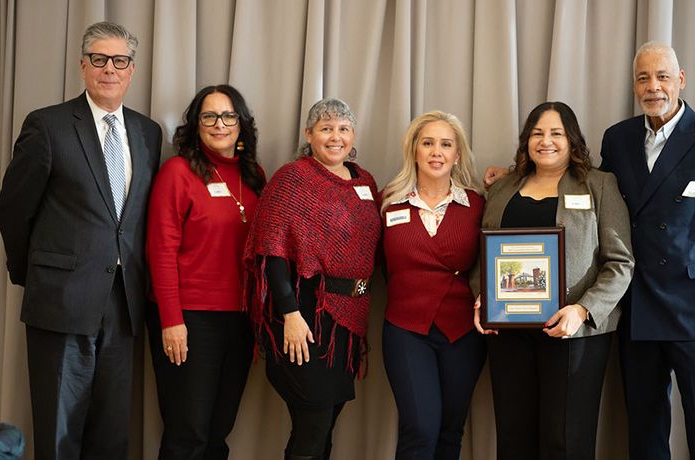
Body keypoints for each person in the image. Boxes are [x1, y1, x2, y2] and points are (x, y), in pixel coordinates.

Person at [0, 22, 162, 459]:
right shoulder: (47, 125)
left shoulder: (148, 132)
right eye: (99, 59)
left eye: (120, 61)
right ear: (83, 65)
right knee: (59, 432)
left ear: (132, 69)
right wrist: (34, 275)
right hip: (61, 299)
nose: (110, 69)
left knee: (111, 434)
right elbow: (12, 209)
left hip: (123, 303)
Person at [599, 42, 695, 459]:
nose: (653, 87)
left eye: (662, 76)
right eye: (643, 78)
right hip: (638, 305)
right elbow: (594, 196)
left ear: (681, 80)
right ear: (634, 85)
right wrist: (518, 172)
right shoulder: (617, 139)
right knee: (644, 432)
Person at [472, 102, 634, 459]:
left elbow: (621, 262)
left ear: (572, 140)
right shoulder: (502, 188)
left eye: (556, 133)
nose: (546, 141)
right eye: (537, 133)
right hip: (508, 333)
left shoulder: (599, 185)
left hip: (574, 335)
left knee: (566, 441)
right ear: (526, 140)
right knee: (513, 438)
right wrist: (482, 296)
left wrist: (583, 310)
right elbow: (483, 255)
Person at [243, 98, 382, 460]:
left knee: (327, 424)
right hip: (304, 316)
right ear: (309, 134)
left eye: (343, 129)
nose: (336, 137)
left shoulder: (366, 182)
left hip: (347, 322)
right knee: (313, 426)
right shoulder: (293, 178)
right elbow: (271, 251)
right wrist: (290, 314)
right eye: (326, 128)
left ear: (353, 135)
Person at [145, 85, 264, 459]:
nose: (219, 124)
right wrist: (171, 320)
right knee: (188, 434)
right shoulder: (178, 172)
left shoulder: (254, 176)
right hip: (189, 319)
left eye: (228, 116)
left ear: (241, 124)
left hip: (240, 320)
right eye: (209, 116)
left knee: (218, 432)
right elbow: (160, 250)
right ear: (196, 125)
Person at [379, 111, 486, 459]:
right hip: (406, 330)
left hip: (463, 333)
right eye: (427, 143)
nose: (436, 152)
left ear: (457, 154)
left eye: (446, 144)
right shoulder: (388, 202)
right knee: (419, 430)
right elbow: (373, 262)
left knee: (450, 432)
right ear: (414, 150)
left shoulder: (477, 204)